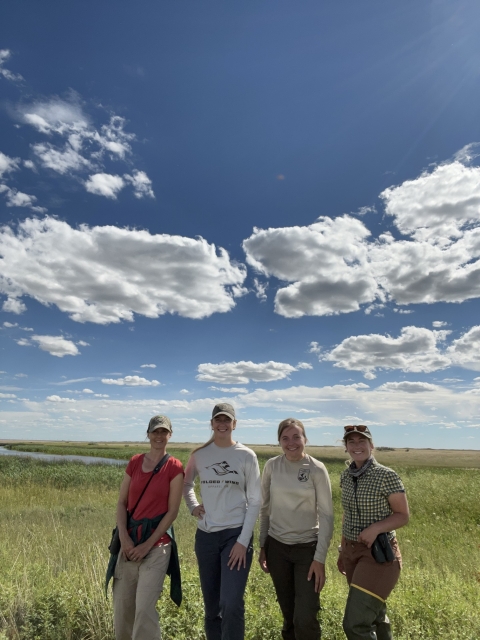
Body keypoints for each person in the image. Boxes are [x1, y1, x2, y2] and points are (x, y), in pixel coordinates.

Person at [183, 402, 261, 640]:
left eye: (227, 420)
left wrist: (242, 542)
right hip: (206, 538)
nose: (223, 424)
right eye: (219, 420)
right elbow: (187, 484)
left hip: (235, 536)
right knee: (212, 607)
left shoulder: (246, 456)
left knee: (231, 603)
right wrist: (194, 507)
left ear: (234, 424)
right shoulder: (199, 455)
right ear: (212, 424)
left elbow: (255, 500)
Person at [258, 417, 334, 640]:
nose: (291, 442)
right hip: (277, 548)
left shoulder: (316, 469)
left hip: (307, 550)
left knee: (306, 616)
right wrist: (263, 546)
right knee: (288, 613)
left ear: (305, 439)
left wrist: (319, 559)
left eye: (296, 437)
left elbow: (327, 516)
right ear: (279, 441)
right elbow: (265, 509)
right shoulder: (272, 466)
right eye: (285, 438)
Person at [112, 415, 184, 640]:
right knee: (122, 610)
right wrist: (124, 538)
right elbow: (122, 503)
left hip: (157, 546)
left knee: (144, 610)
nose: (159, 436)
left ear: (170, 435)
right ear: (148, 434)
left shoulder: (174, 467)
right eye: (155, 432)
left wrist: (146, 546)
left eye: (164, 432)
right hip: (129, 543)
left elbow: (172, 512)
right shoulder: (134, 462)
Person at [337, 425, 409, 640]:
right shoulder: (346, 476)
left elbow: (402, 515)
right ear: (346, 447)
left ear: (371, 445)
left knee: (355, 624)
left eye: (362, 441)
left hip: (378, 555)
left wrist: (375, 528)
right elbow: (347, 514)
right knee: (375, 615)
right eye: (352, 442)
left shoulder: (386, 475)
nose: (357, 446)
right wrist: (342, 549)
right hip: (352, 553)